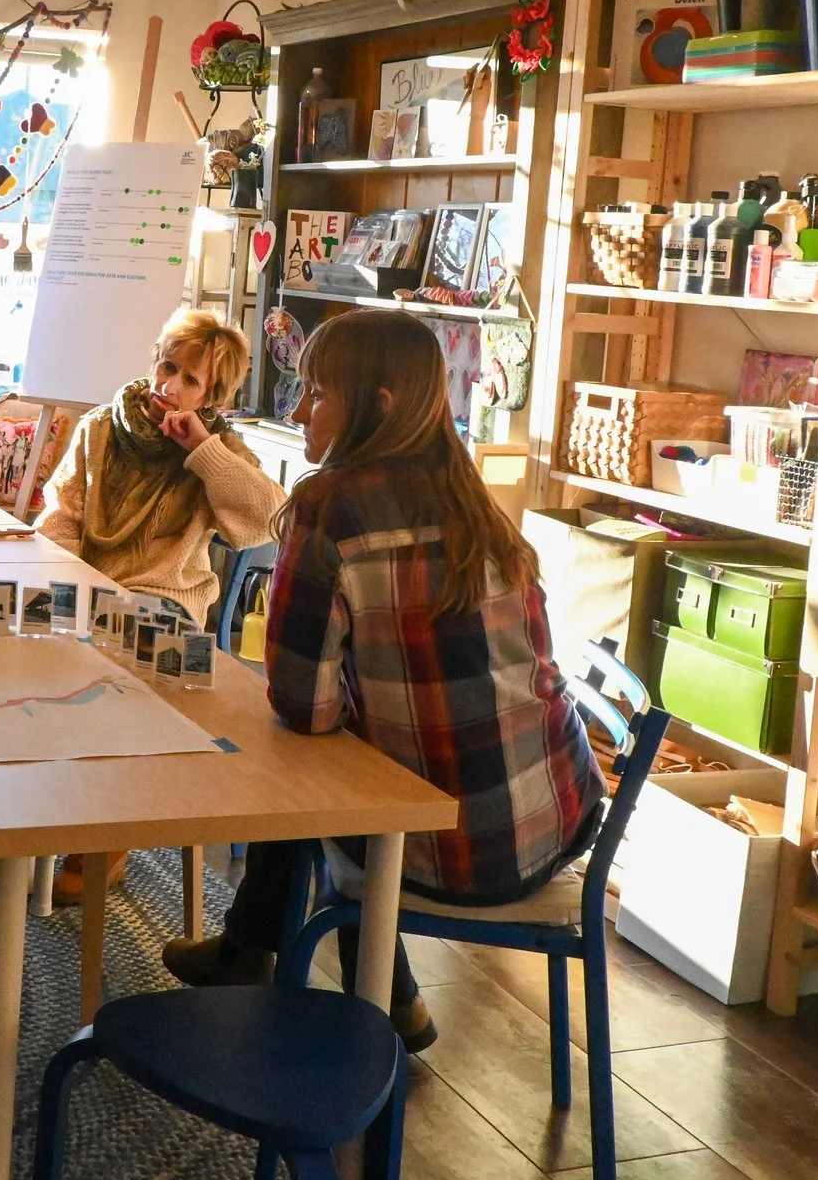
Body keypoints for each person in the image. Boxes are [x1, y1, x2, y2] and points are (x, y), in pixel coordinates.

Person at [161, 309, 606, 1053]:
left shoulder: (329, 507)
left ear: (379, 405)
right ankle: (350, 985)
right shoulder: (474, 500)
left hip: (442, 847)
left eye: (316, 394)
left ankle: (275, 960)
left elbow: (303, 706)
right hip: (553, 817)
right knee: (338, 767)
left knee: (303, 772)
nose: (297, 412)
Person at [34, 307, 283, 902]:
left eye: (189, 380)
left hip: (166, 605)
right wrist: (67, 586)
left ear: (211, 397)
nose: (169, 385)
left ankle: (105, 836)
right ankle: (30, 811)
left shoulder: (220, 450)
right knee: (0, 643)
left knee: (118, 671)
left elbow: (268, 520)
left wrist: (203, 450)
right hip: (86, 588)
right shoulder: (101, 427)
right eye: (167, 367)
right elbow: (60, 518)